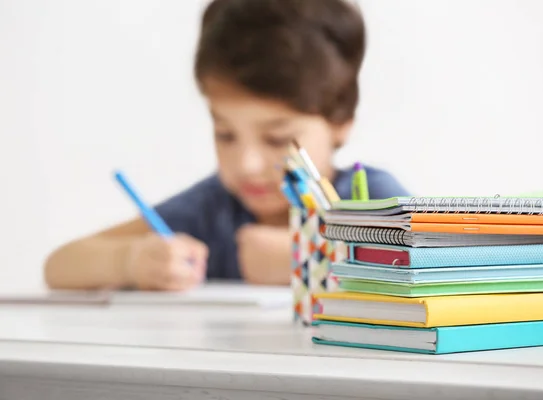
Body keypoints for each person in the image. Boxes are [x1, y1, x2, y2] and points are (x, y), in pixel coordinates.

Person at [44, 0, 410, 291]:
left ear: (341, 122)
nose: (247, 163)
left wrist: (300, 255)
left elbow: (428, 267)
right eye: (225, 134)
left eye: (277, 138)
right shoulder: (212, 208)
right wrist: (132, 261)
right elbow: (59, 265)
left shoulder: (370, 198)